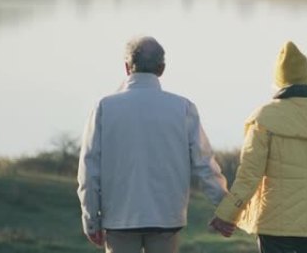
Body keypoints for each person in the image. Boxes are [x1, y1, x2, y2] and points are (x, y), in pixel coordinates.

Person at [77, 36, 230, 253]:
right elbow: (204, 164)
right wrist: (226, 209)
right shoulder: (183, 108)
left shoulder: (104, 108)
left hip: (119, 219)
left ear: (127, 67)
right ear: (162, 68)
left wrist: (91, 218)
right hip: (166, 218)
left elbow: (89, 169)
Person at [209, 41, 307, 253]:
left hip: (274, 221)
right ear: (306, 77)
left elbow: (249, 174)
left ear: (278, 81)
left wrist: (226, 215)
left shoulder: (264, 118)